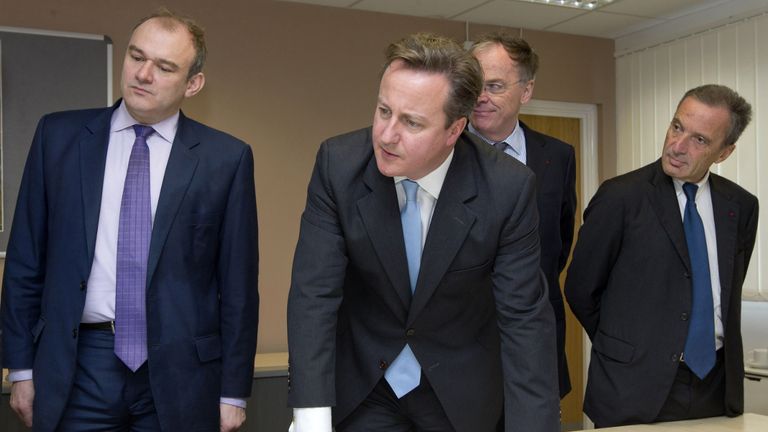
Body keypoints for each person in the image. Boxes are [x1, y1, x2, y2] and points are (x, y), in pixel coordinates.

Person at [1, 9, 259, 431]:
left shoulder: (225, 160)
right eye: (136, 57)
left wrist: (233, 391)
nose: (143, 73)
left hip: (180, 372)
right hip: (79, 365)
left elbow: (238, 288)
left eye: (164, 66)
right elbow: (26, 260)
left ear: (192, 83)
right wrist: (21, 368)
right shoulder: (58, 138)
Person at [286, 33, 559, 432]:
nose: (386, 135)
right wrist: (311, 417)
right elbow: (314, 294)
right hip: (365, 385)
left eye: (411, 122)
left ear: (455, 131)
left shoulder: (507, 189)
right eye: (383, 111)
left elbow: (523, 321)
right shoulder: (338, 165)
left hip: (458, 394)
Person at [565, 84, 757, 427]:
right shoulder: (620, 197)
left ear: (724, 152)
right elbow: (581, 288)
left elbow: (726, 288)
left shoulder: (740, 206)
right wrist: (627, 347)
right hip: (633, 385)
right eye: (677, 127)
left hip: (714, 385)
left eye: (699, 140)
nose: (677, 146)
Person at [469, 32, 576, 400]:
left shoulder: (557, 157)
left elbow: (556, 249)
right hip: (456, 349)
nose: (480, 97)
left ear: (526, 91)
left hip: (533, 344)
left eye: (495, 86)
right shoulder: (440, 153)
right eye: (474, 85)